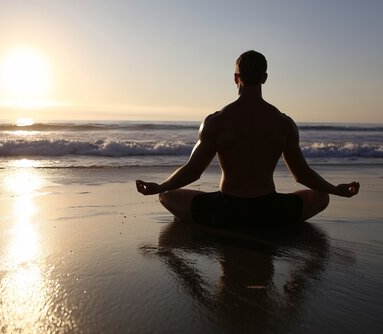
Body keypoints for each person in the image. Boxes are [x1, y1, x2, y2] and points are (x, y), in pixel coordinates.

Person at [136, 50, 359, 227]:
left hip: (224, 212)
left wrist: (159, 187)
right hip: (271, 213)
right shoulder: (284, 123)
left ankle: (205, 224)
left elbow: (193, 171)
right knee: (322, 197)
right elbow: (302, 175)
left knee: (166, 195)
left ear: (236, 78)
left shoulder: (216, 122)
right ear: (264, 78)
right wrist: (335, 190)